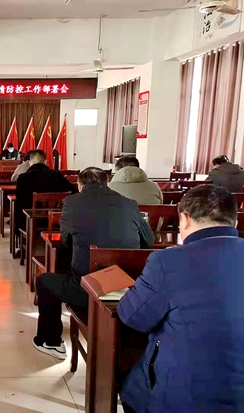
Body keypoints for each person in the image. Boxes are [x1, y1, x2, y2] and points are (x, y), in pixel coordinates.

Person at [118, 185, 244, 413]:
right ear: (233, 222)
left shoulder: (166, 261)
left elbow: (132, 316)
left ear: (184, 219)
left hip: (185, 395)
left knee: (130, 380)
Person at [33, 168, 154, 359]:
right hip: (127, 288)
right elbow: (148, 241)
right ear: (107, 183)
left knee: (45, 281)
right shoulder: (129, 203)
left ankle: (51, 342)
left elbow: (65, 240)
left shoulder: (71, 202)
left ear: (79, 185)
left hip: (88, 289)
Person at [14, 150, 76, 232]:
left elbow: (19, 202)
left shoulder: (23, 178)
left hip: (28, 221)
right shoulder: (56, 175)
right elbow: (72, 191)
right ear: (45, 161)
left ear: (30, 162)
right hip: (54, 219)